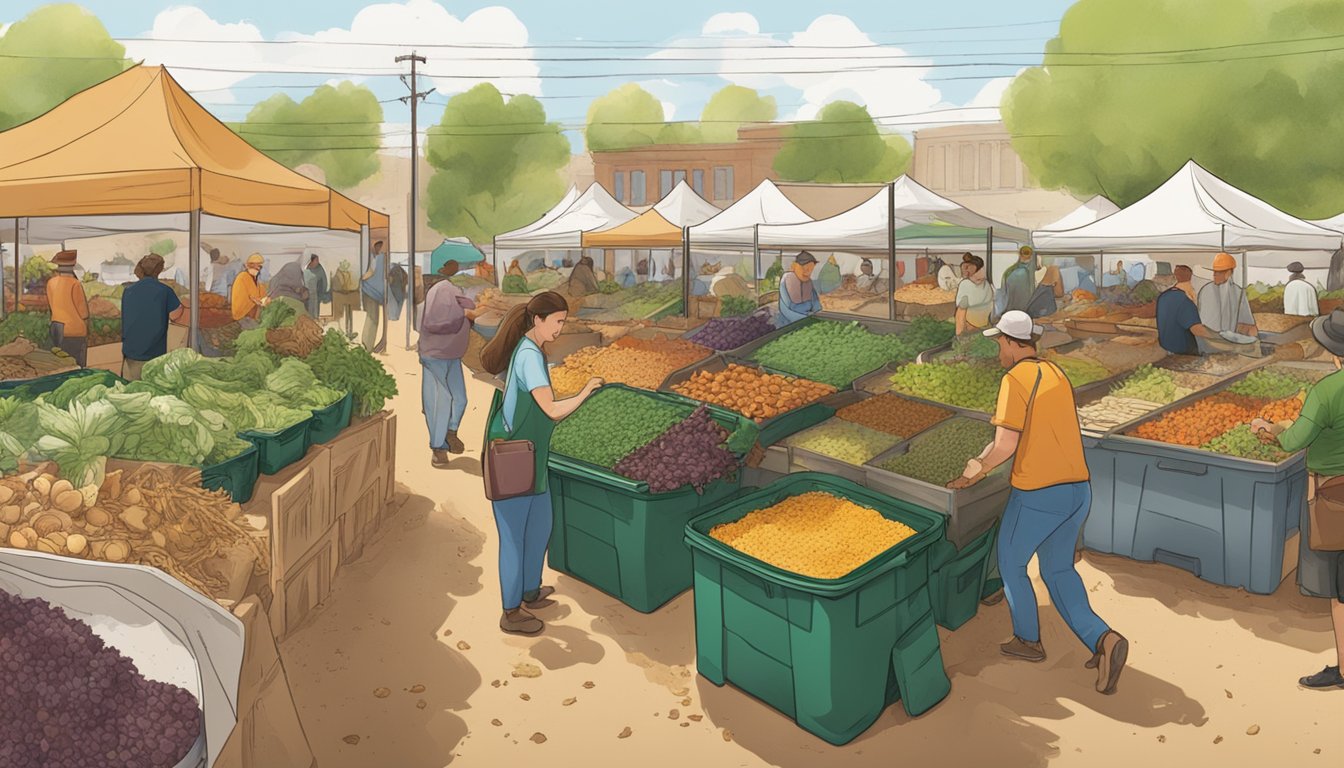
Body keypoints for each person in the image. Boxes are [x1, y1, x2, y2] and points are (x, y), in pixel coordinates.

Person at [949, 310, 1129, 694]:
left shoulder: (1015, 379)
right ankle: (1104, 639)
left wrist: (973, 473)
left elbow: (1005, 444)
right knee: (1059, 571)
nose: (998, 350)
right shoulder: (1054, 374)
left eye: (999, 343)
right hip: (1077, 490)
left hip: (1038, 492)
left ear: (1014, 345)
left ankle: (1028, 640)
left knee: (1012, 563)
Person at [480, 291, 603, 635]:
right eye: (559, 321)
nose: (561, 328)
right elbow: (551, 409)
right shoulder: (529, 357)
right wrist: (585, 391)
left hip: (533, 459)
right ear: (538, 320)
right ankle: (511, 610)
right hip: (515, 461)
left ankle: (530, 590)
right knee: (514, 538)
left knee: (539, 528)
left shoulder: (534, 351)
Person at [1250, 308, 1344, 691]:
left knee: (1340, 589)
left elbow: (1292, 441)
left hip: (1335, 494)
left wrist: (1267, 428)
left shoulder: (1328, 390)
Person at [421, 261, 477, 468]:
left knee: (459, 398)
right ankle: (438, 448)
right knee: (439, 401)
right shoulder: (439, 291)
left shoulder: (453, 289)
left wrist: (469, 314)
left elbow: (468, 305)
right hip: (435, 354)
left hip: (452, 353)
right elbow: (434, 323)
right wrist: (463, 317)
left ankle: (450, 432)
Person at [121, 254, 186, 381]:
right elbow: (176, 315)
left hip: (130, 351)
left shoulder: (128, 290)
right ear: (159, 270)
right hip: (153, 353)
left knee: (130, 392)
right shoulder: (164, 291)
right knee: (151, 391)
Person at [1155, 265, 1216, 355]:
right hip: (1184, 352)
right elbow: (1197, 330)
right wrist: (1219, 338)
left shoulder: (1163, 297)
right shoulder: (1183, 300)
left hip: (1167, 349)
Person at [1197, 252, 1258, 337]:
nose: (1214, 275)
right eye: (1214, 271)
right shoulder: (1205, 291)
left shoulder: (1238, 293)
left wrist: (1252, 337)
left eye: (1219, 272)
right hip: (1207, 339)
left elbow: (1247, 324)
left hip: (1229, 341)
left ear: (1229, 272)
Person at [47, 250, 90, 366]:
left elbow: (51, 305)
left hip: (56, 326)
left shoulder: (51, 282)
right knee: (76, 365)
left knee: (60, 363)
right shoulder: (75, 284)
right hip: (73, 329)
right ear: (73, 266)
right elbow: (83, 312)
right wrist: (87, 329)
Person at [777, 251, 823, 327]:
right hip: (789, 323)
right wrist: (806, 320)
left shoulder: (809, 283)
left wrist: (819, 315)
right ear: (794, 266)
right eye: (804, 268)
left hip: (808, 320)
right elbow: (785, 310)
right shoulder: (787, 280)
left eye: (810, 269)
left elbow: (816, 303)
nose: (807, 272)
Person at [954, 253, 995, 334]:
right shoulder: (966, 285)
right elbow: (960, 314)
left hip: (986, 325)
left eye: (981, 270)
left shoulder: (986, 284)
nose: (980, 274)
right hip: (970, 327)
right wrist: (960, 334)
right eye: (975, 272)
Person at [360, 241, 387, 351]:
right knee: (372, 319)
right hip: (371, 291)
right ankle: (367, 346)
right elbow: (369, 273)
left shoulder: (374, 257)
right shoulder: (376, 258)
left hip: (371, 291)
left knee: (372, 318)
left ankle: (367, 345)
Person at [231, 253, 268, 323]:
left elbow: (262, 294)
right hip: (242, 314)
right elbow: (254, 296)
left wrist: (266, 299)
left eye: (259, 266)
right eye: (253, 265)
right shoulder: (243, 276)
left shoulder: (255, 281)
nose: (257, 268)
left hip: (251, 313)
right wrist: (261, 301)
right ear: (248, 266)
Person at [1001, 245, 1037, 315]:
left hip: (1009, 309)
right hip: (1021, 311)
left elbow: (1004, 292)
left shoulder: (1009, 271)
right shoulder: (1023, 273)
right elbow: (1024, 297)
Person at [331, 259, 360, 338]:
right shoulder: (337, 276)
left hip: (348, 298)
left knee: (349, 316)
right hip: (339, 298)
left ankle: (349, 332)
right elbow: (337, 287)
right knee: (340, 317)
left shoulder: (347, 274)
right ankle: (342, 333)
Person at [303, 254, 330, 319]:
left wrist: (321, 292)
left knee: (315, 312)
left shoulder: (319, 269)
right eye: (316, 260)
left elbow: (324, 282)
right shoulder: (306, 270)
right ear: (311, 261)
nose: (318, 262)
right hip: (307, 296)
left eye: (318, 260)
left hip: (316, 294)